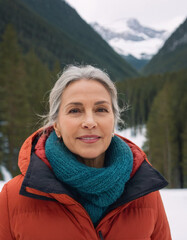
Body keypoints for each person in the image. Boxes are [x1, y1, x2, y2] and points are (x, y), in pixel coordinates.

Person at [0, 65, 171, 240]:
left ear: (113, 120)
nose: (90, 122)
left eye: (101, 110)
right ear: (56, 125)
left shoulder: (145, 192)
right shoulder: (13, 197)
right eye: (75, 110)